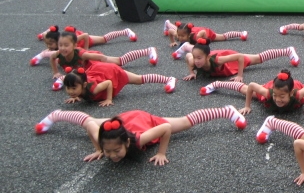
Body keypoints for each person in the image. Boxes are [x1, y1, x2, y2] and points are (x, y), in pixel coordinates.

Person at [34, 105, 246, 165]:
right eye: (109, 152)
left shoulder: (138, 139)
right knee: (88, 119)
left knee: (183, 123)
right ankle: (55, 115)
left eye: (116, 150)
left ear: (127, 143)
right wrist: (98, 149)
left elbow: (165, 130)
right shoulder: (107, 135)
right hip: (122, 119)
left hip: (145, 121)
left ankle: (225, 110)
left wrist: (162, 152)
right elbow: (89, 124)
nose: (113, 155)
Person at [48, 31, 158, 91]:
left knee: (120, 61)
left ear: (74, 45)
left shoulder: (82, 54)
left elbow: (101, 58)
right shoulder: (58, 54)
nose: (62, 48)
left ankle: (147, 50)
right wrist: (55, 72)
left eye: (66, 45)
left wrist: (107, 66)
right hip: (88, 72)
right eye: (60, 45)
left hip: (96, 63)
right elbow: (52, 58)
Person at [182, 38, 300, 82]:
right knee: (196, 52)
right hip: (208, 53)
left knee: (258, 58)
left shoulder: (218, 60)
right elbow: (188, 57)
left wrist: (240, 76)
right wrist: (192, 73)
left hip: (230, 60)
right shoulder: (194, 60)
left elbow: (239, 57)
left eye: (199, 58)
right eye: (195, 58)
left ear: (207, 57)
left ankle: (287, 51)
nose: (196, 61)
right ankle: (187, 45)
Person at [63, 64, 177, 107]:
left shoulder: (93, 88)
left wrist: (108, 99)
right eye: (68, 88)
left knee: (138, 79)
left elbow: (108, 83)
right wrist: (77, 96)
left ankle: (168, 79)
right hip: (101, 71)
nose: (70, 91)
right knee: (138, 79)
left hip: (112, 73)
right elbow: (78, 86)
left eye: (73, 88)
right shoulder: (81, 85)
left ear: (84, 85)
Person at [31, 25, 137, 66]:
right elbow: (49, 53)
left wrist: (86, 48)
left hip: (82, 40)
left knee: (103, 39)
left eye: (50, 43)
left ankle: (125, 31)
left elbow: (85, 36)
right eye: (47, 44)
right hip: (75, 46)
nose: (49, 46)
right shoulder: (60, 47)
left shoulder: (71, 41)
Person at [163, 20, 247, 55]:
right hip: (190, 30)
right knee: (176, 29)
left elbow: (203, 32)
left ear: (188, 35)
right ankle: (168, 23)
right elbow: (171, 32)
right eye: (179, 36)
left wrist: (206, 40)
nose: (180, 38)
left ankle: (240, 33)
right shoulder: (179, 35)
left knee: (222, 37)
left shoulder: (196, 37)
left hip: (204, 32)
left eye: (183, 36)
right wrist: (172, 41)